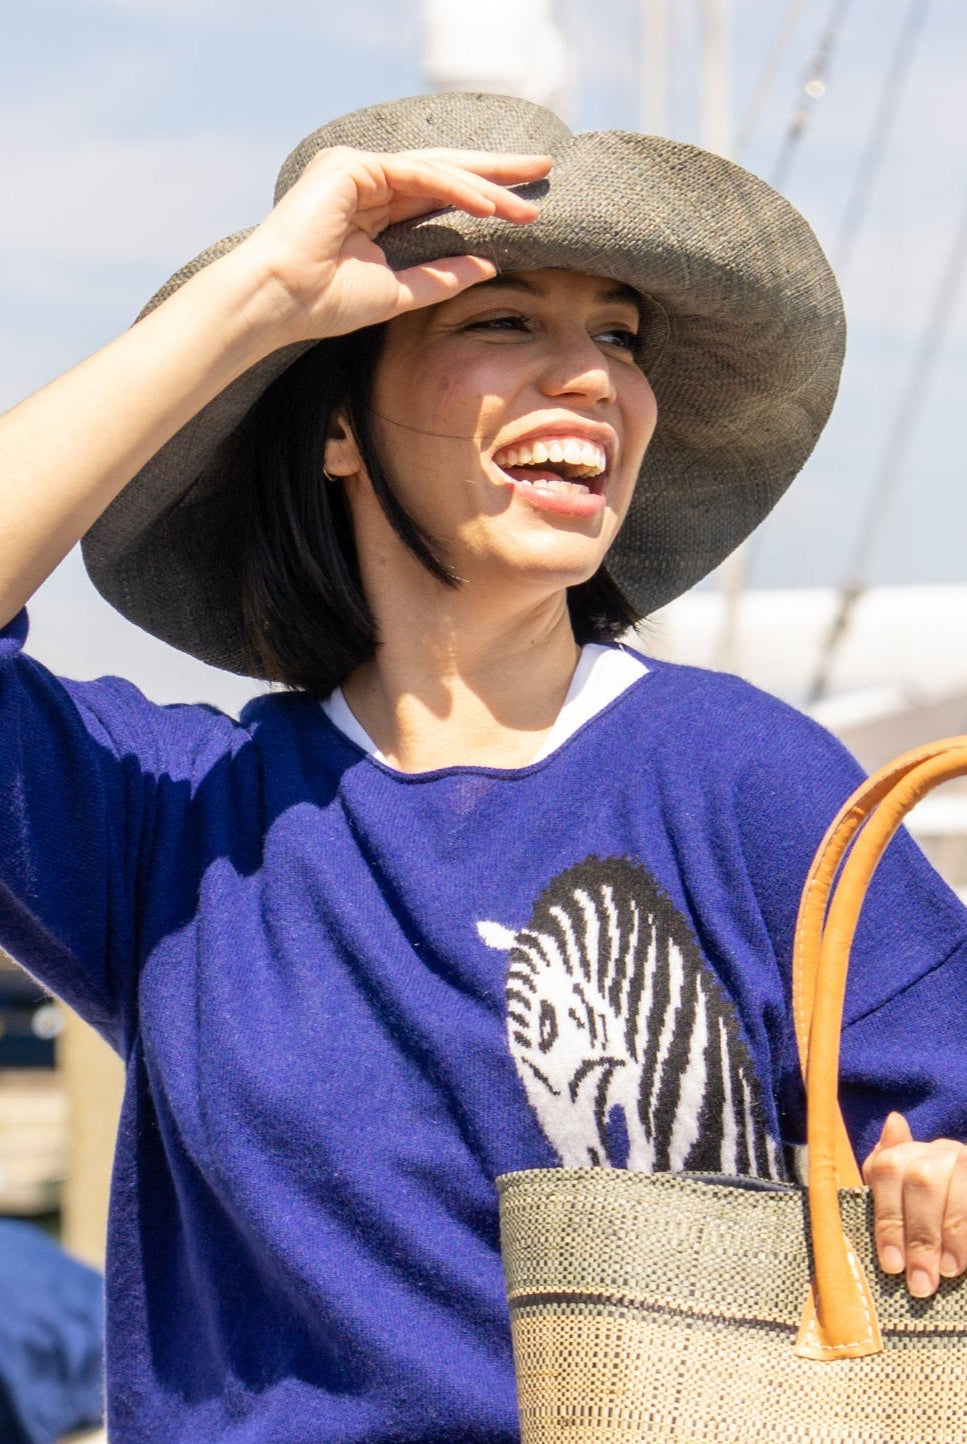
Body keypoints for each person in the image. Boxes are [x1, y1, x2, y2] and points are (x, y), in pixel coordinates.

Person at [0, 91, 965, 1443]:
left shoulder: (748, 780)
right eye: (501, 317)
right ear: (334, 423)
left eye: (618, 336)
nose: (593, 379)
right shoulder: (178, 820)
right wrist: (257, 297)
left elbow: (943, 1145)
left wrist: (946, 1184)